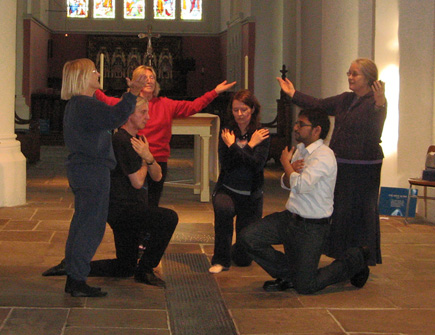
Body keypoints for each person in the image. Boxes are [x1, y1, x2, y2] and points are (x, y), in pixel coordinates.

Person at [43, 98, 178, 288]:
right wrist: (145, 159)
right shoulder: (120, 140)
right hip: (123, 211)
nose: (148, 117)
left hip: (133, 208)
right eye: (143, 112)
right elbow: (138, 182)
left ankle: (73, 266)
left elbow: (158, 176)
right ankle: (146, 270)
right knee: (168, 218)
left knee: (125, 267)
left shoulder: (139, 141)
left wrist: (148, 157)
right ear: (129, 115)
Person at [241, 109, 371, 294]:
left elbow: (301, 185)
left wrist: (286, 164)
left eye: (301, 124)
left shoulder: (324, 156)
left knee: (306, 286)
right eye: (297, 123)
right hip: (289, 218)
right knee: (249, 237)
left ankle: (355, 259)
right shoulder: (301, 150)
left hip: (312, 227)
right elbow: (287, 184)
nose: (295, 127)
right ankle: (290, 275)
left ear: (316, 130)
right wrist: (289, 170)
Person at [277, 58, 386, 265]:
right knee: (341, 211)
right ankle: (343, 255)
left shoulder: (375, 101)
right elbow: (319, 105)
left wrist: (381, 101)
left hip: (364, 168)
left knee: (360, 213)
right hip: (342, 163)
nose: (350, 77)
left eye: (355, 74)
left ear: (369, 78)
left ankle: (361, 256)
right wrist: (293, 93)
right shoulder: (346, 99)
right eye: (349, 73)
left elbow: (378, 115)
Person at [60, 58, 146, 297]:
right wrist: (133, 93)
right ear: (81, 78)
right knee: (91, 226)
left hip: (83, 169)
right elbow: (116, 117)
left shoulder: (78, 105)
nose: (98, 74)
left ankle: (73, 276)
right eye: (93, 71)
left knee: (82, 223)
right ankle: (77, 279)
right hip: (92, 170)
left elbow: (110, 116)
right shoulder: (85, 104)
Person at [95, 65, 236, 207]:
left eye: (152, 77)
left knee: (152, 205)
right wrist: (87, 83)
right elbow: (103, 99)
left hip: (157, 160)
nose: (149, 81)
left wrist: (215, 92)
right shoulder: (127, 104)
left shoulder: (165, 104)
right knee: (132, 203)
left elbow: (193, 106)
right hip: (133, 160)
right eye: (145, 77)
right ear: (135, 81)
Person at [209, 90, 270, 274]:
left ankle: (235, 250)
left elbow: (256, 165)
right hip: (227, 189)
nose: (239, 114)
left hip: (251, 194)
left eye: (244, 110)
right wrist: (248, 146)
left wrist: (235, 147)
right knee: (223, 212)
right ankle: (220, 259)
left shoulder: (261, 134)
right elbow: (227, 164)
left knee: (244, 259)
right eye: (236, 110)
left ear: (252, 109)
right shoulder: (227, 132)